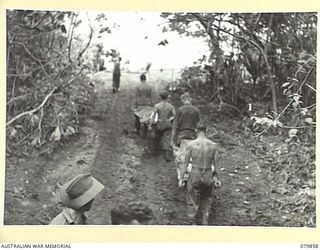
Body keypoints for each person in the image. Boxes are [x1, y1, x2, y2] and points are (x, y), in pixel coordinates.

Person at [181, 122, 221, 225]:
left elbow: (185, 163)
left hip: (195, 173)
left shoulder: (191, 144)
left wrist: (181, 178)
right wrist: (218, 179)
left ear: (196, 131)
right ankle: (205, 219)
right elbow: (216, 164)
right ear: (206, 131)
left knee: (192, 198)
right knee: (207, 198)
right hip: (208, 173)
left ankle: (192, 222)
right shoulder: (213, 145)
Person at [150, 90, 175, 161]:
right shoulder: (171, 106)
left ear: (160, 97)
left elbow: (153, 116)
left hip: (160, 123)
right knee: (167, 139)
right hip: (167, 123)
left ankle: (156, 152)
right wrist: (170, 119)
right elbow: (175, 115)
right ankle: (167, 155)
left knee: (157, 137)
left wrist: (150, 125)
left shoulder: (157, 106)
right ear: (167, 97)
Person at [134, 73, 156, 137]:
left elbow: (136, 96)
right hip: (147, 102)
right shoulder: (149, 86)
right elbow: (151, 96)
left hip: (140, 102)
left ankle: (137, 129)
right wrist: (152, 103)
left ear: (140, 79)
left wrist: (135, 103)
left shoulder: (138, 86)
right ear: (145, 79)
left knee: (137, 115)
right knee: (146, 116)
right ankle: (145, 131)